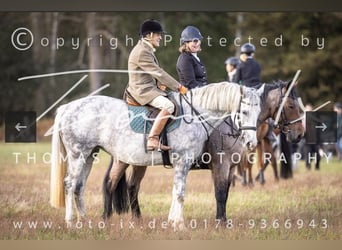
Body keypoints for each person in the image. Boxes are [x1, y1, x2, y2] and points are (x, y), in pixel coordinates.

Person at [126, 19, 188, 151]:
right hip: (142, 91)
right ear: (149, 35)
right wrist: (178, 86)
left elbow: (151, 72)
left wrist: (159, 84)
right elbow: (158, 72)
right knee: (169, 105)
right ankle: (153, 139)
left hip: (149, 87)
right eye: (158, 34)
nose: (161, 37)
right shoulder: (142, 51)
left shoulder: (146, 49)